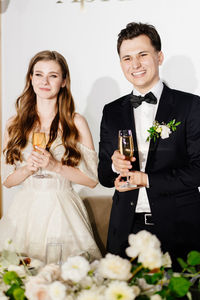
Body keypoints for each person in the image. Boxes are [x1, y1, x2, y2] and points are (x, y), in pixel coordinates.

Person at [98, 22, 200, 269]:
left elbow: (197, 170)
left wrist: (147, 180)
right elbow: (102, 175)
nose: (135, 64)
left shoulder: (191, 106)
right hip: (126, 231)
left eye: (143, 54)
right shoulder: (111, 111)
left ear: (159, 56)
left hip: (179, 230)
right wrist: (113, 166)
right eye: (127, 58)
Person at [1, 50, 101, 262]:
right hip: (25, 210)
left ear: (64, 81)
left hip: (63, 210)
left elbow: (92, 180)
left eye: (53, 75)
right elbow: (7, 181)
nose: (44, 81)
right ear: (31, 78)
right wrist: (28, 168)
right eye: (39, 74)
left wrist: (55, 166)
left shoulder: (76, 122)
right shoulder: (13, 124)